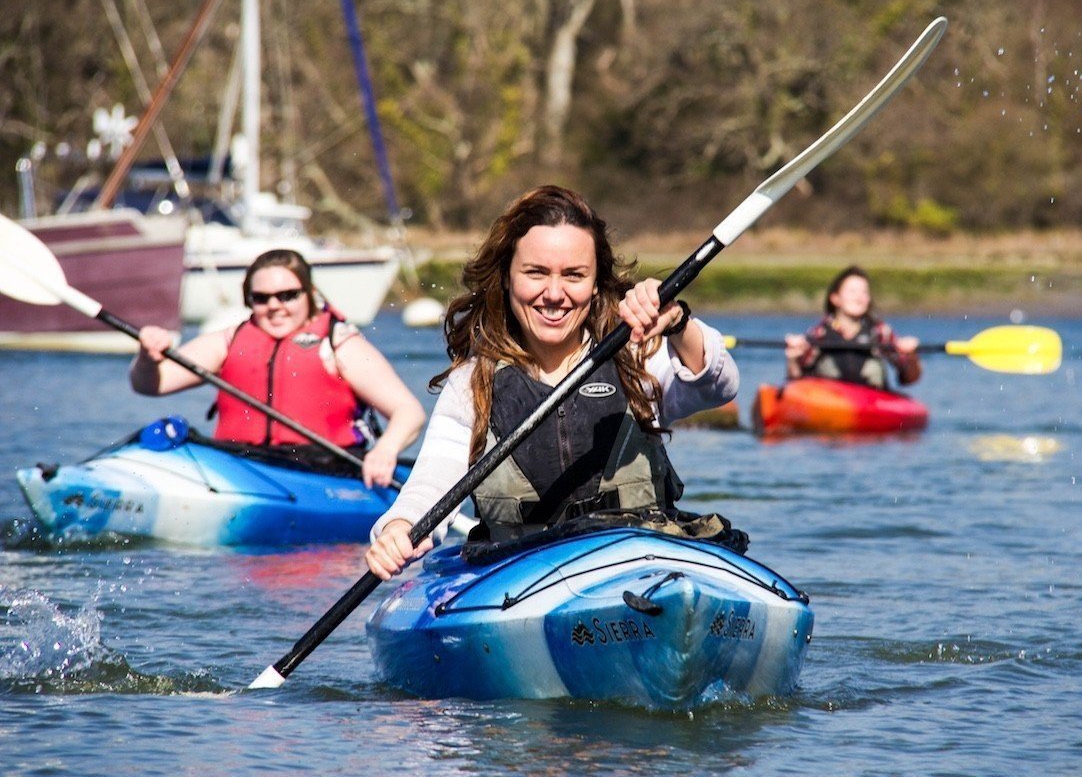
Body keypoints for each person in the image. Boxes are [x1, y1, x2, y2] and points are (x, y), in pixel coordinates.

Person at [365, 185, 739, 580]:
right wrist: (397, 529)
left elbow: (719, 386)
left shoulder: (637, 356)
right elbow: (431, 483)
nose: (555, 294)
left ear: (595, 284)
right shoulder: (472, 385)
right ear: (507, 278)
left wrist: (678, 323)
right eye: (536, 273)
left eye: (574, 276)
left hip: (637, 573)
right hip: (518, 583)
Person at [130, 248, 426, 489]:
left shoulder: (339, 343)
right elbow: (152, 384)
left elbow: (409, 413)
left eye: (288, 295)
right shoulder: (229, 341)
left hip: (323, 471)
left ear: (309, 293)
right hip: (240, 464)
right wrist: (147, 356)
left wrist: (386, 450)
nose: (275, 306)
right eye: (261, 298)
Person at [784, 265, 921, 389]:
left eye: (864, 292)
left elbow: (908, 379)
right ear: (835, 298)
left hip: (872, 403)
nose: (859, 297)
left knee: (874, 368)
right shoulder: (820, 333)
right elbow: (796, 379)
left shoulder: (879, 332)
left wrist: (911, 357)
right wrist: (793, 359)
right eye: (852, 291)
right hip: (828, 402)